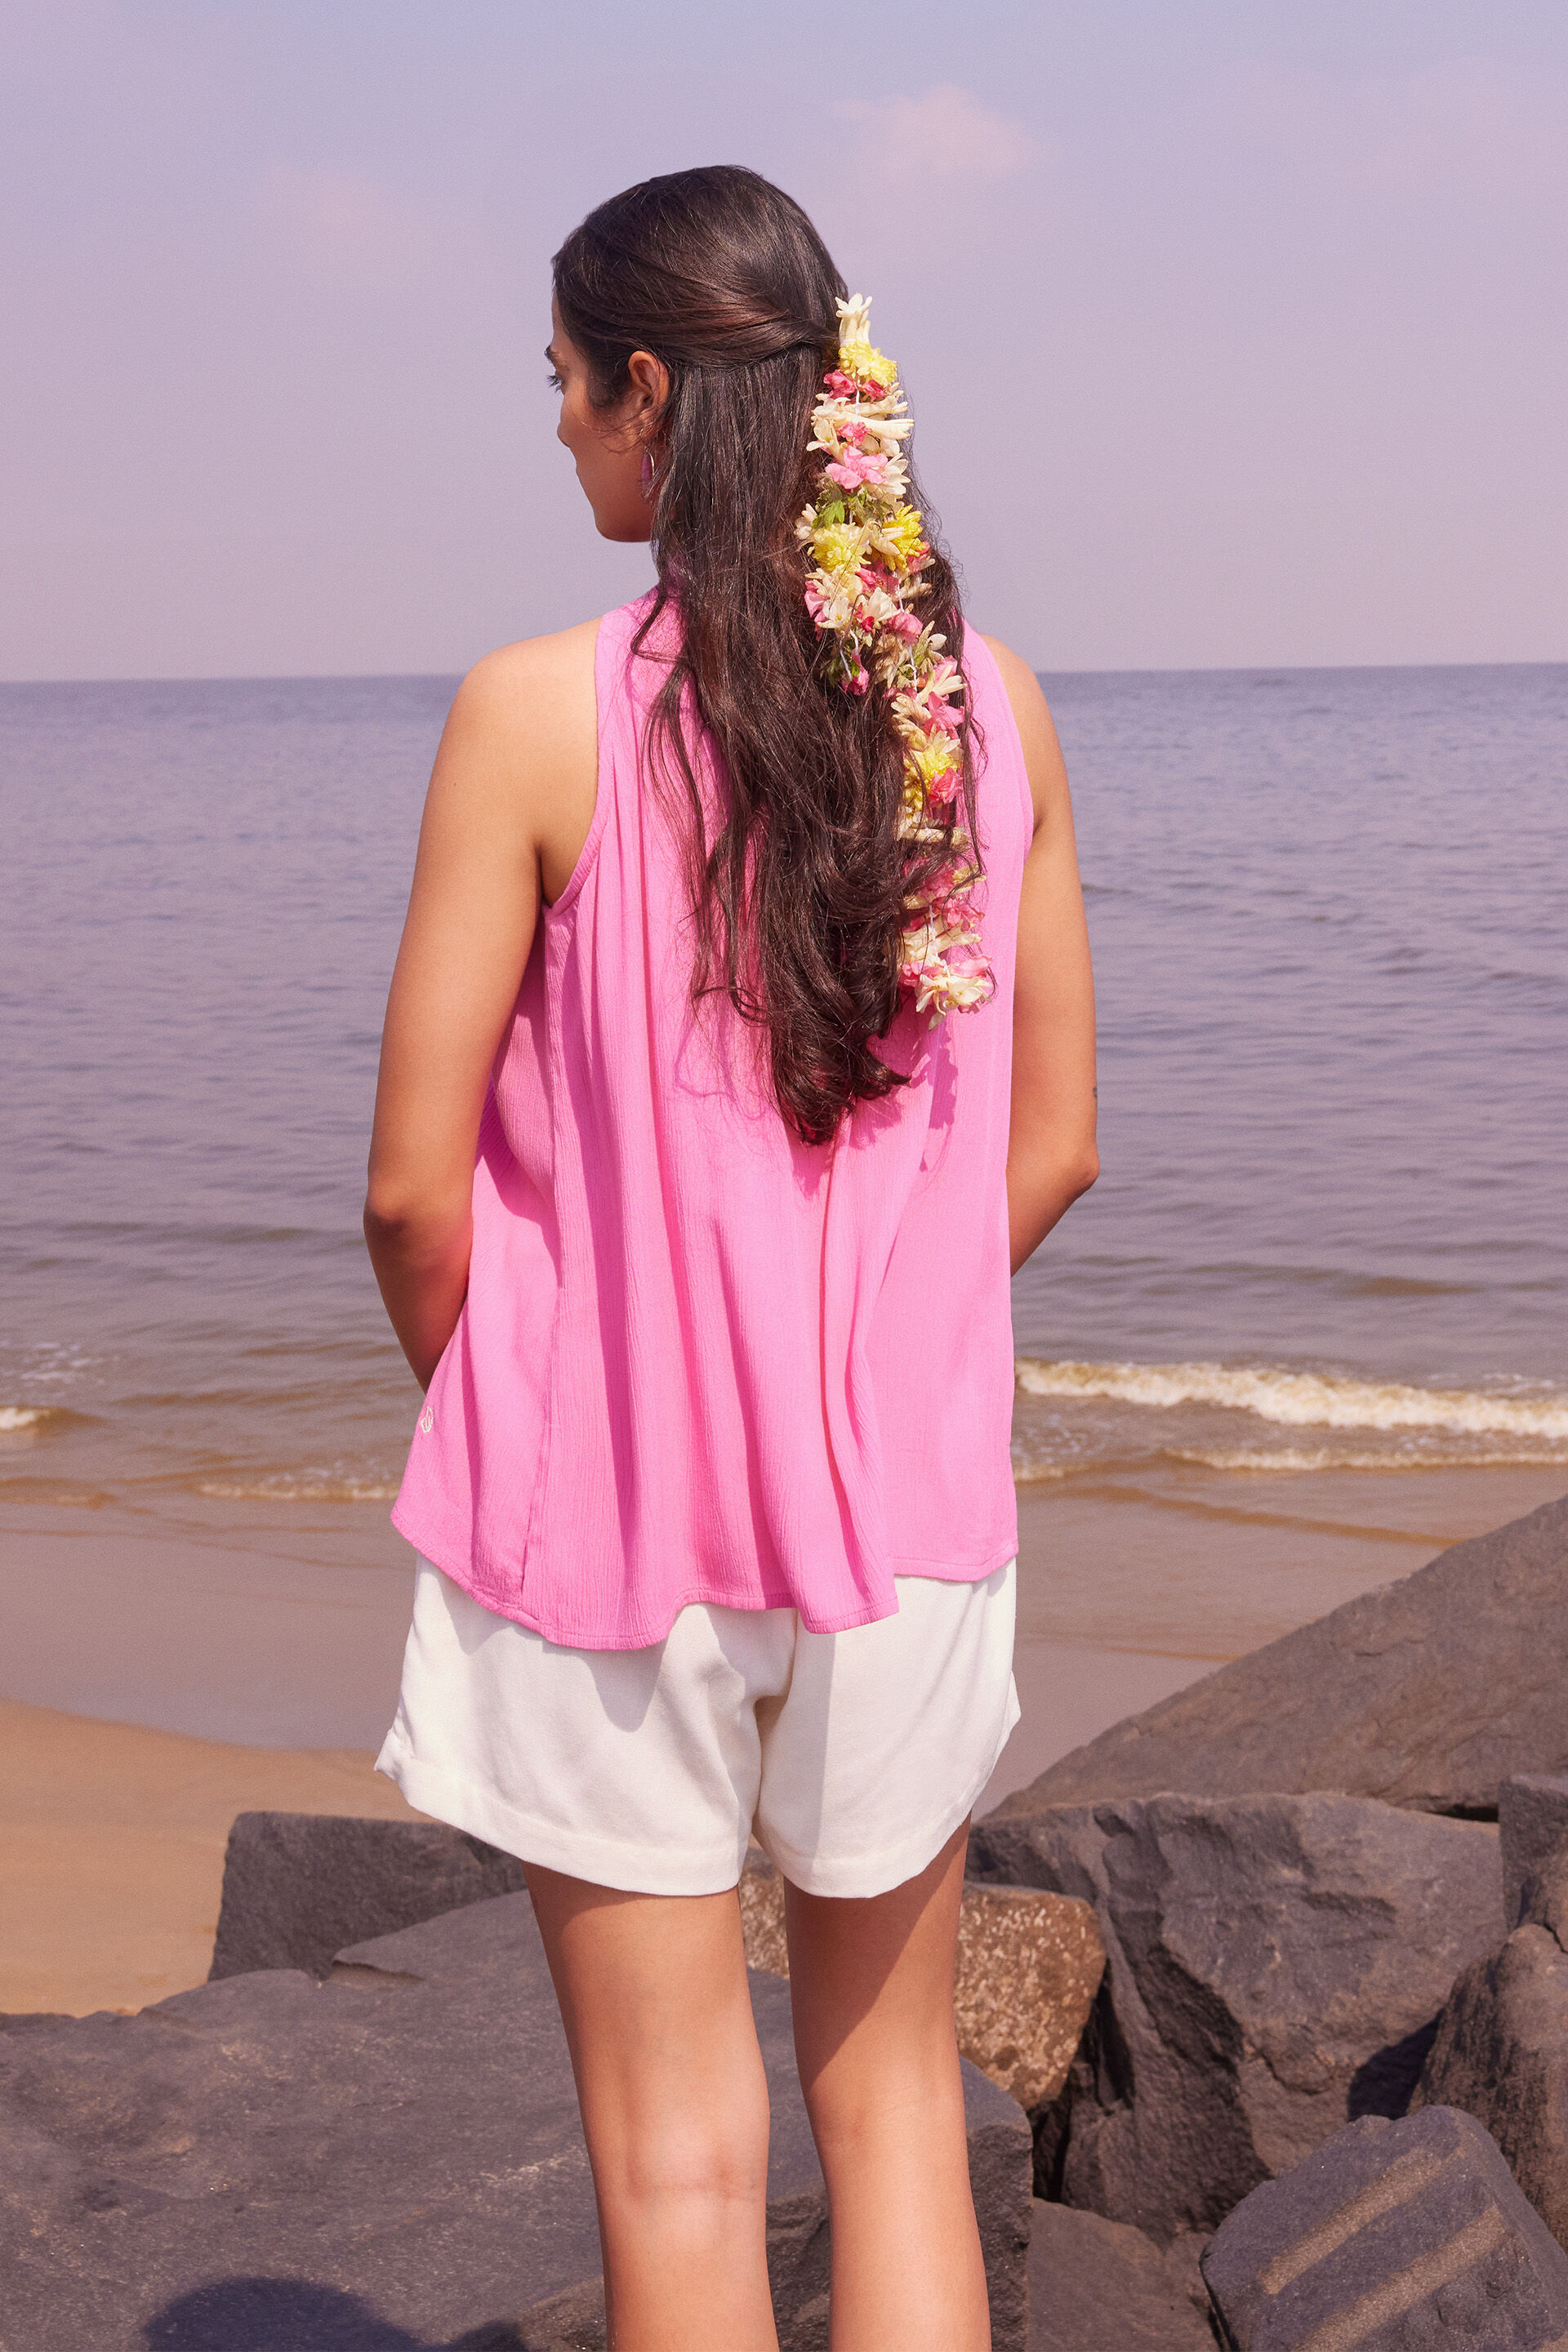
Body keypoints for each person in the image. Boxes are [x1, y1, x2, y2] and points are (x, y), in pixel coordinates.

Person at [363, 164, 1097, 2352]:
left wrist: (524, 1407)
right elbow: (1051, 1143)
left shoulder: (535, 710)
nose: (562, 425)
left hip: (604, 1531)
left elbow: (412, 1195)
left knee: (679, 2166)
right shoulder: (992, 707)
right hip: (912, 1516)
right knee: (890, 2129)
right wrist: (880, 1347)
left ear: (652, 389)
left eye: (570, 384)